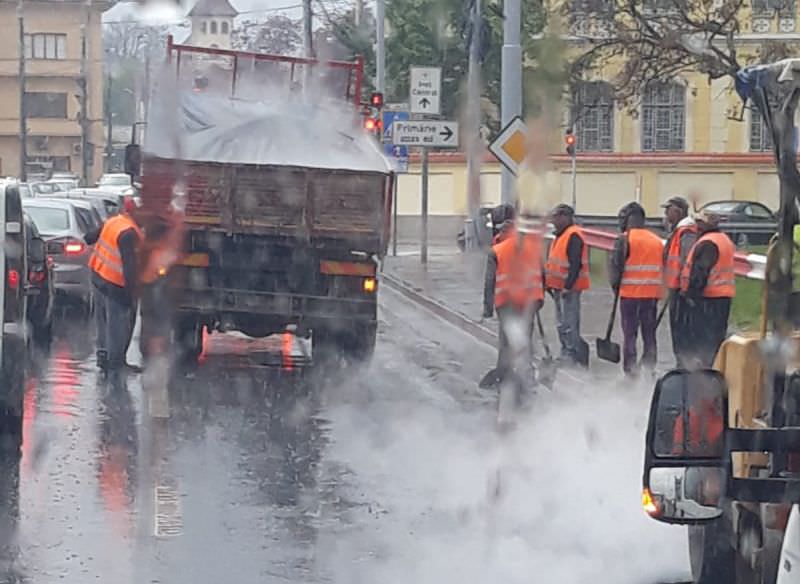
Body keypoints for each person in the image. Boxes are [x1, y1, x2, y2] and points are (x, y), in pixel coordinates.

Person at [483, 211, 545, 385]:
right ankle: (527, 377)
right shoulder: (534, 249)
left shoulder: (497, 250)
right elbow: (542, 274)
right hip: (529, 302)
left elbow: (490, 282)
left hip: (507, 303)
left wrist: (487, 309)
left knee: (506, 341)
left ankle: (505, 374)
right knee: (525, 340)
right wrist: (540, 299)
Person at [87, 197, 143, 378]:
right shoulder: (129, 233)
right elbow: (129, 267)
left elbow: (88, 237)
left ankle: (103, 356)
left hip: (98, 277)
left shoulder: (113, 222)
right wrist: (131, 293)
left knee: (103, 322)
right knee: (117, 325)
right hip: (115, 284)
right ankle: (116, 364)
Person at [609, 202, 664, 376]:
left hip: (630, 296)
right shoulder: (656, 241)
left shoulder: (624, 239)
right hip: (651, 296)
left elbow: (616, 268)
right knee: (649, 335)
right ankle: (649, 367)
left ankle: (630, 371)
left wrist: (615, 288)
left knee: (630, 336)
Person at [680, 210, 736, 368]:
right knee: (716, 336)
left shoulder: (708, 243)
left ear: (705, 225)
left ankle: (706, 369)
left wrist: (690, 295)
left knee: (705, 338)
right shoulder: (723, 239)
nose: (696, 226)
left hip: (708, 298)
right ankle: (715, 366)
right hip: (722, 296)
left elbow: (700, 273)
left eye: (699, 222)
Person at [545, 204, 590, 366]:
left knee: (569, 322)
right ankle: (566, 351)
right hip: (558, 287)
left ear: (565, 217)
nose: (553, 221)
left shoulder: (573, 235)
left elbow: (575, 263)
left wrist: (568, 286)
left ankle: (572, 353)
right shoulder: (560, 235)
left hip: (569, 289)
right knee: (561, 322)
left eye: (556, 217)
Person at [662, 196, 698, 367]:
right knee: (677, 329)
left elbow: (687, 261)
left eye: (668, 210)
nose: (665, 214)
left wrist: (685, 287)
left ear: (678, 211)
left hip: (681, 290)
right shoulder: (678, 230)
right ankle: (681, 363)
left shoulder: (687, 231)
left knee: (682, 330)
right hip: (675, 287)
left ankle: (684, 364)